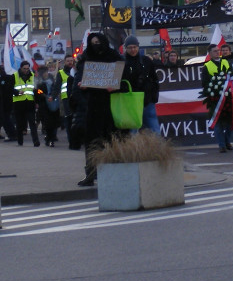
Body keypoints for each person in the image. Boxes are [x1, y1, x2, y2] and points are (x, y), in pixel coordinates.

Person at [76, 32, 121, 186]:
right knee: (92, 141)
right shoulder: (86, 57)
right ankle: (91, 173)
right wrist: (82, 87)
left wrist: (116, 87)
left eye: (98, 42)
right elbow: (79, 79)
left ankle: (111, 172)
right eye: (93, 43)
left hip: (111, 105)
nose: (96, 45)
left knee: (110, 139)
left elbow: (123, 77)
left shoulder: (113, 56)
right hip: (93, 105)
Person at [202, 42, 233, 153]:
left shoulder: (226, 62)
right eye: (215, 51)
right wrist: (213, 90)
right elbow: (205, 83)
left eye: (218, 51)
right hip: (216, 98)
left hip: (228, 96)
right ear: (210, 53)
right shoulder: (207, 66)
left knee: (229, 121)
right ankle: (221, 145)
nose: (217, 52)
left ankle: (227, 141)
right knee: (218, 122)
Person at [121, 35, 160, 134]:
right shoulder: (121, 62)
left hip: (147, 100)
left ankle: (157, 144)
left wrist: (154, 96)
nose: (133, 50)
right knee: (133, 131)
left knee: (154, 130)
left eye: (134, 47)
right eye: (130, 47)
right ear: (126, 48)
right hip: (131, 101)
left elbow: (155, 79)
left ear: (138, 47)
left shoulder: (146, 61)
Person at [11, 60, 40, 147]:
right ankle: (20, 141)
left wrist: (37, 102)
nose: (26, 70)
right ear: (21, 68)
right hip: (18, 102)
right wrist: (17, 92)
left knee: (32, 123)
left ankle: (36, 141)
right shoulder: (14, 76)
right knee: (20, 123)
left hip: (30, 102)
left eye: (27, 68)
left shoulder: (32, 76)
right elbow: (9, 89)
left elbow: (35, 90)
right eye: (24, 68)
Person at [56, 55, 79, 149]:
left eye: (71, 61)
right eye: (68, 61)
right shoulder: (61, 73)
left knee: (76, 120)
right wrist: (53, 96)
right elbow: (57, 86)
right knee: (69, 120)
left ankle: (77, 140)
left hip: (76, 99)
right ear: (65, 62)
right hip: (66, 99)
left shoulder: (77, 71)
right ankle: (71, 141)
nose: (70, 62)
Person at [35, 65, 61, 147]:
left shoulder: (52, 80)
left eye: (46, 72)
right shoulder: (39, 82)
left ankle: (52, 137)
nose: (46, 74)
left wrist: (53, 96)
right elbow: (37, 91)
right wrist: (43, 95)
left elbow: (56, 89)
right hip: (44, 104)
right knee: (48, 123)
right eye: (44, 72)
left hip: (53, 102)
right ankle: (49, 138)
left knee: (54, 122)